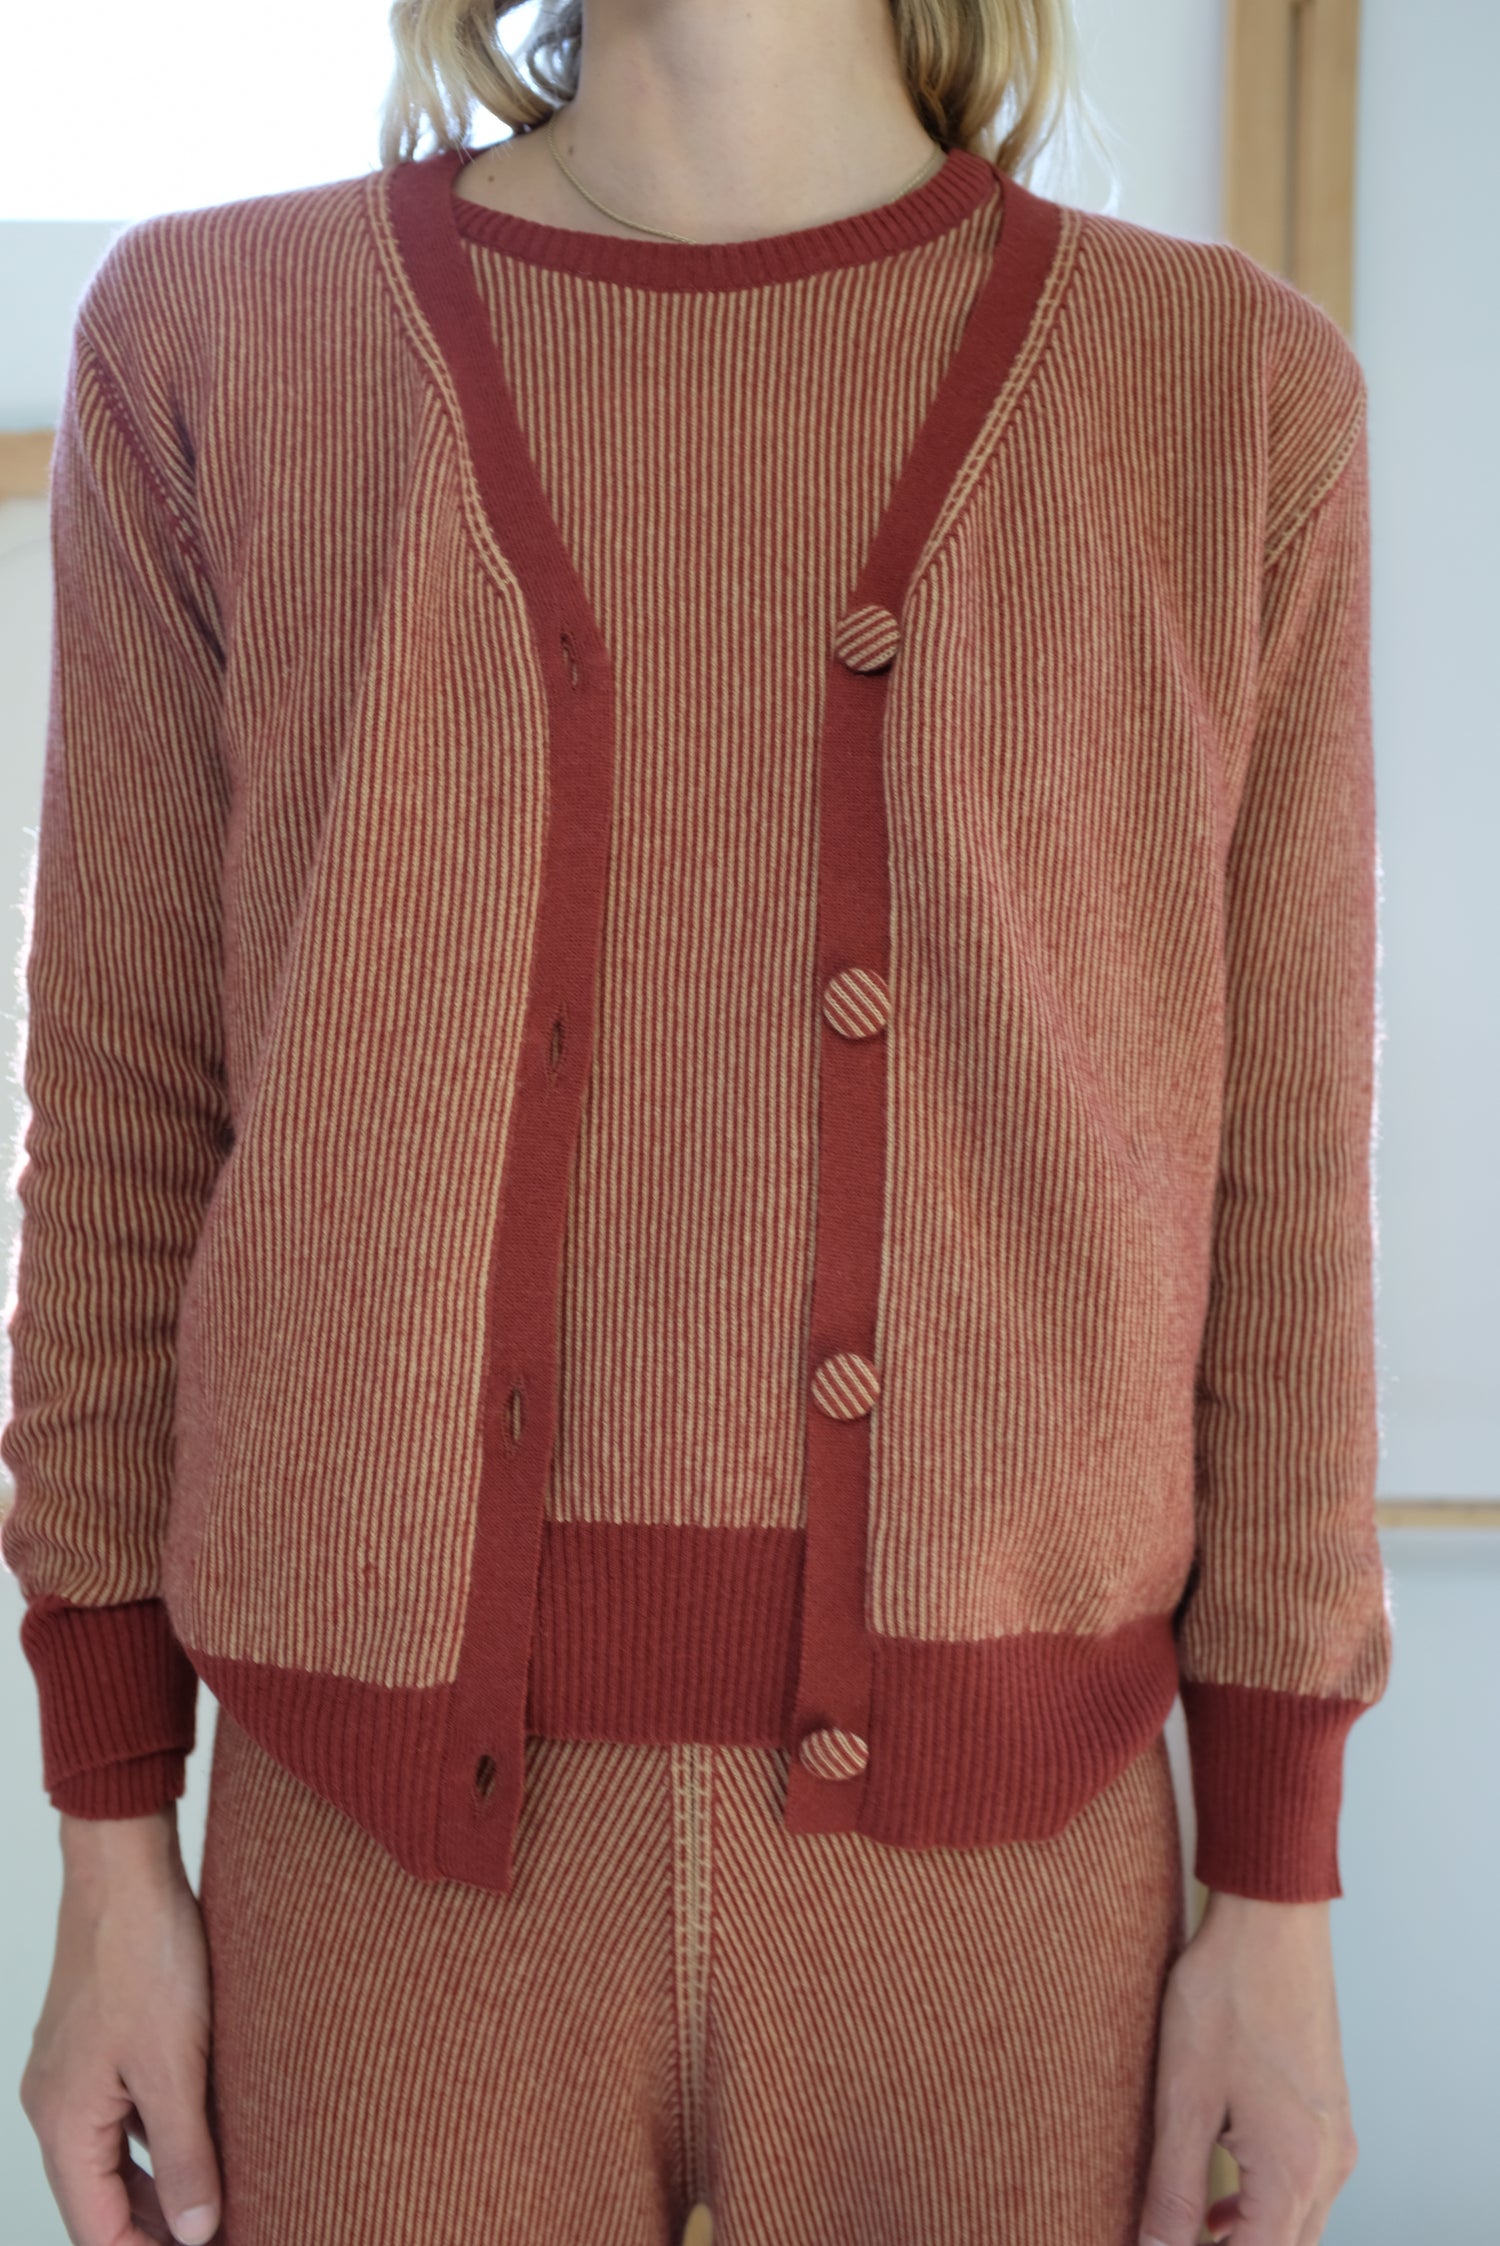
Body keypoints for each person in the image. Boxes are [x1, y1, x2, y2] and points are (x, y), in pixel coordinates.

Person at [2, 1, 1391, 2242]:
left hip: (1007, 1906)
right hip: (369, 1883)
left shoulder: (1227, 397)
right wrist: (105, 1839)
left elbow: (1284, 1195)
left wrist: (1281, 1884)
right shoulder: (213, 340)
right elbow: (126, 1136)